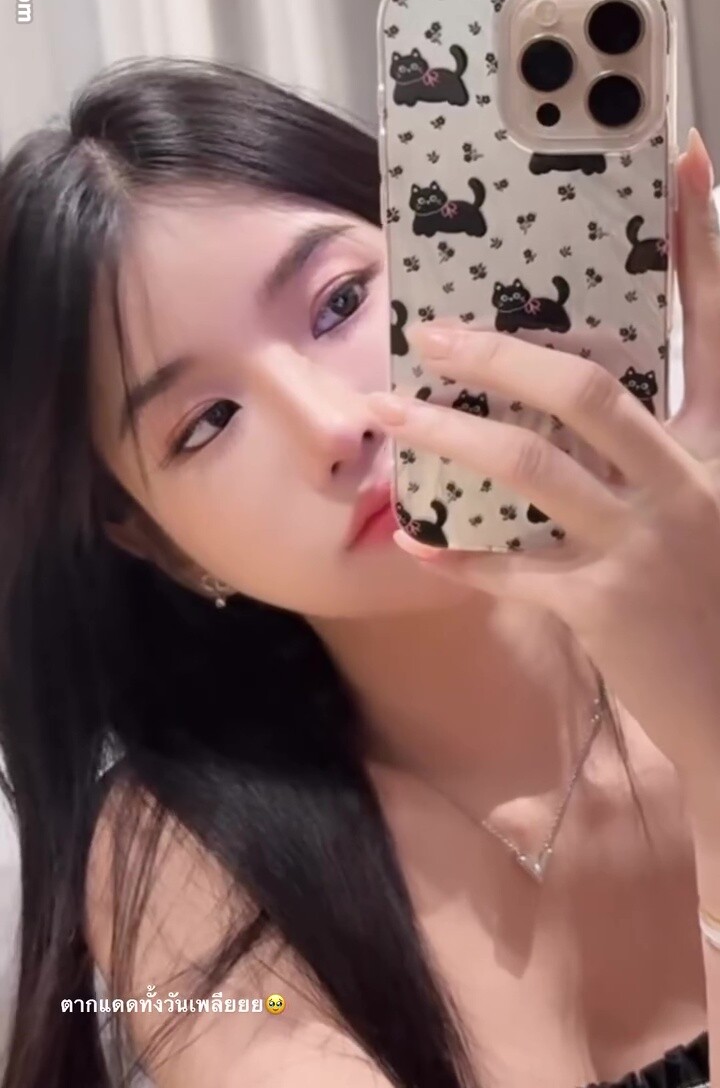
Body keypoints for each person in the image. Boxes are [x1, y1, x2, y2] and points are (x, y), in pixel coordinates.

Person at [0, 55, 718, 1088]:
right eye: (208, 421)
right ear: (158, 540)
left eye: (340, 303)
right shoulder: (192, 857)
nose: (335, 427)